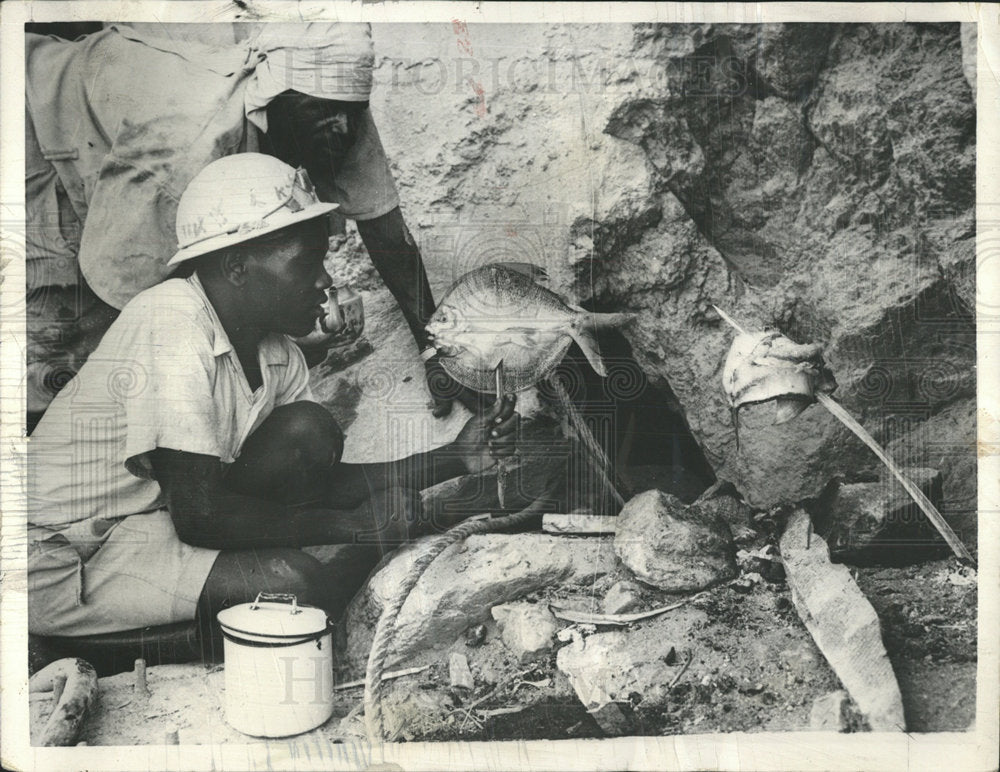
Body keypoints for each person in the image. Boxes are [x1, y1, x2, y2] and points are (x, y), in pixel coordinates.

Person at [27, 153, 521, 652]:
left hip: (146, 522)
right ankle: (69, 648)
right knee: (298, 594)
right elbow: (199, 517)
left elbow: (318, 483)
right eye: (307, 261)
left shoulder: (277, 353)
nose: (325, 280)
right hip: (60, 553)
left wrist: (454, 458)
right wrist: (351, 528)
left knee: (309, 431)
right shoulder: (171, 322)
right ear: (237, 267)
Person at [24, 21, 474, 421]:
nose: (339, 125)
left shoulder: (333, 112)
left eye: (351, 112)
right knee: (62, 335)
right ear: (269, 100)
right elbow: (133, 290)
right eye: (322, 111)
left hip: (122, 113)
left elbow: (388, 235)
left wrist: (439, 352)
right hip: (38, 111)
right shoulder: (188, 147)